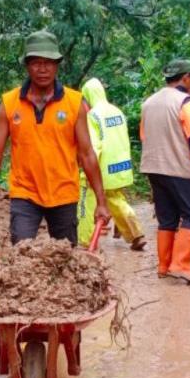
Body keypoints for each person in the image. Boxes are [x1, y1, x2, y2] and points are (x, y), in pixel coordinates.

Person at [0, 30, 110, 245]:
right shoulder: (9, 103)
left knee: (65, 261)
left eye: (49, 62)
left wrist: (101, 201)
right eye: (36, 62)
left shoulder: (74, 103)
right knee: (21, 255)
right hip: (24, 193)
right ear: (27, 65)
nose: (42, 69)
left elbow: (87, 154)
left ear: (57, 65)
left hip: (64, 192)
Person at [140, 59, 190, 284]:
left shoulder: (149, 102)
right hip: (179, 168)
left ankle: (164, 266)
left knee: (167, 219)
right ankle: (182, 265)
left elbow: (144, 135)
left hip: (153, 167)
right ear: (186, 77)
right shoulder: (186, 102)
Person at [77, 78, 145, 250]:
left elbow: (93, 146)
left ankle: (85, 242)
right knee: (116, 199)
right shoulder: (117, 111)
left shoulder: (93, 116)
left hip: (101, 168)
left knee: (87, 202)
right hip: (119, 166)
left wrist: (87, 168)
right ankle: (136, 233)